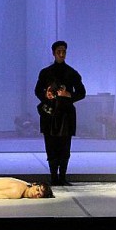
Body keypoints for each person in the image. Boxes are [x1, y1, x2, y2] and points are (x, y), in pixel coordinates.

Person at [34, 40, 86, 186]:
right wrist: (46, 95)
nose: (62, 54)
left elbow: (82, 92)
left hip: (65, 114)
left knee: (64, 146)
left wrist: (68, 94)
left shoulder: (72, 73)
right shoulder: (45, 72)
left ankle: (62, 176)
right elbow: (37, 90)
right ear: (54, 53)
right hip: (49, 113)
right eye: (59, 52)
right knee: (50, 145)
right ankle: (53, 177)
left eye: (64, 51)